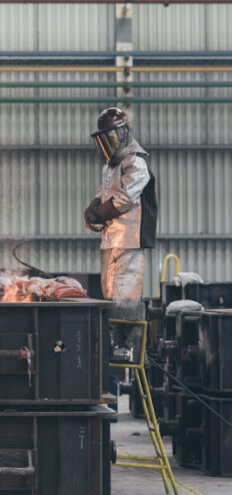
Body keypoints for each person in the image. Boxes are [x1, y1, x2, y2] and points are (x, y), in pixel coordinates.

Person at [84, 107, 157, 356]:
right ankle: (112, 342)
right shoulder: (110, 165)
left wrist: (101, 213)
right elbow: (105, 193)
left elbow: (126, 198)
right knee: (110, 289)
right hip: (112, 238)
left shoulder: (135, 161)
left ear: (122, 133)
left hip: (129, 238)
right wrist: (93, 208)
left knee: (125, 292)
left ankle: (127, 346)